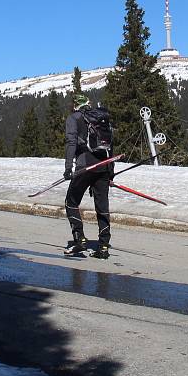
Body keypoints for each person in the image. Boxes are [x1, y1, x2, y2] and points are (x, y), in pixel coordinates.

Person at [63, 94, 114, 260]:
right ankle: (104, 246)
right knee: (102, 207)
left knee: (71, 202)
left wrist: (68, 168)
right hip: (104, 166)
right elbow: (110, 146)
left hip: (85, 165)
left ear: (75, 105)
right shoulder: (101, 118)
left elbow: (71, 143)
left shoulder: (74, 118)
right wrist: (110, 172)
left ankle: (80, 240)